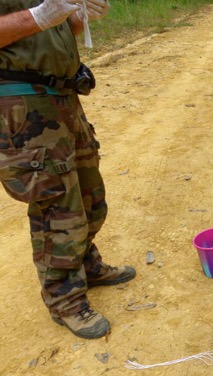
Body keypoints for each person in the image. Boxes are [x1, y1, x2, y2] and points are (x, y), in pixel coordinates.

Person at [0, 0, 136, 339]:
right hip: (20, 104)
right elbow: (33, 23)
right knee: (56, 203)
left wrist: (77, 17)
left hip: (62, 96)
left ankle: (85, 266)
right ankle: (64, 298)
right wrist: (39, 15)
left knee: (90, 195)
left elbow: (49, 33)